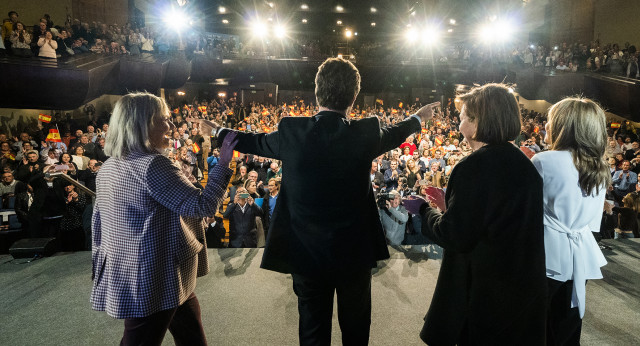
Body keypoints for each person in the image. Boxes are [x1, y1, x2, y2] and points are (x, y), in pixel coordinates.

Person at [199, 57, 438, 345]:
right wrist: (419, 117)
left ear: (316, 92)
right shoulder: (365, 132)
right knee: (356, 329)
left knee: (313, 331)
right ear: (353, 98)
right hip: (354, 252)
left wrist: (215, 130)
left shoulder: (292, 131)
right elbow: (399, 131)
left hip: (306, 252)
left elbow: (251, 141)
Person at [90, 92, 238, 345]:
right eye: (163, 120)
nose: (171, 126)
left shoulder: (109, 166)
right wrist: (224, 162)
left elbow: (100, 225)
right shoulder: (153, 165)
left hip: (134, 267)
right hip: (154, 275)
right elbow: (202, 206)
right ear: (141, 124)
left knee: (191, 335)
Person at [406, 83, 547, 344]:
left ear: (477, 121)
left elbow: (456, 236)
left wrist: (423, 210)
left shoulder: (473, 166)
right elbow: (496, 219)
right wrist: (449, 208)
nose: (459, 126)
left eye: (461, 118)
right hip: (521, 290)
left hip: (486, 294)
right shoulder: (523, 164)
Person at [531, 97, 610, 345]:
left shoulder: (544, 161)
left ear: (566, 126)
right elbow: (593, 224)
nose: (545, 124)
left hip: (545, 256)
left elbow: (527, 214)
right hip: (580, 256)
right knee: (566, 326)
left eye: (550, 119)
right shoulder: (600, 168)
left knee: (538, 328)